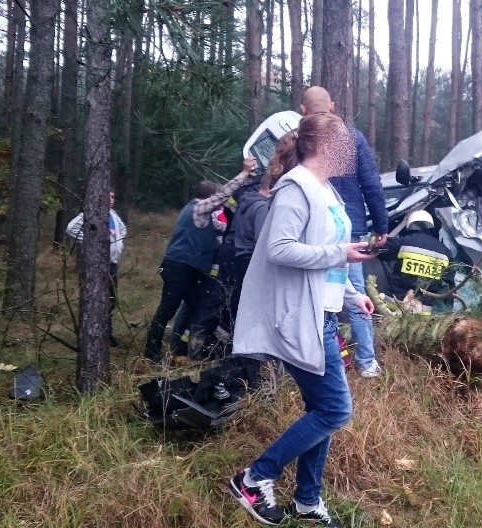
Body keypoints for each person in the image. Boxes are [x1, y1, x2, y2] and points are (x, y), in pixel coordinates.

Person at [227, 112, 376, 527]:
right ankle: (254, 478)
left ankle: (308, 503)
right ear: (325, 147)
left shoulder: (326, 190)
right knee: (335, 410)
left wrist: (352, 294)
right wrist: (342, 254)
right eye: (345, 144)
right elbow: (280, 249)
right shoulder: (296, 187)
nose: (352, 151)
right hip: (301, 318)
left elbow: (327, 259)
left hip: (324, 313)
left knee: (321, 408)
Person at [301, 86, 388, 378]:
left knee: (308, 292)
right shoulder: (352, 137)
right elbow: (371, 184)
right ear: (333, 106)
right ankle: (366, 364)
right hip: (349, 228)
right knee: (355, 295)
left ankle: (310, 361)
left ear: (303, 109)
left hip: (310, 232)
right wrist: (381, 226)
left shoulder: (298, 138)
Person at [143, 158, 256, 364]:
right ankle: (151, 352)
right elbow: (223, 195)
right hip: (179, 268)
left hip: (187, 270)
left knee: (199, 306)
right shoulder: (199, 208)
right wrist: (244, 174)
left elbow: (218, 229)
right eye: (214, 198)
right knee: (167, 309)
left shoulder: (199, 215)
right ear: (208, 197)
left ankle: (192, 348)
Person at [66, 189, 127, 347]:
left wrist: (118, 241)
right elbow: (71, 228)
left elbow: (123, 229)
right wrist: (88, 240)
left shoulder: (113, 215)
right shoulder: (91, 213)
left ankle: (106, 334)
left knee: (111, 301)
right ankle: (90, 335)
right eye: (108, 196)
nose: (111, 199)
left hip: (112, 265)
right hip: (98, 266)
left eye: (113, 197)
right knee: (95, 301)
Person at [377, 210, 454, 314]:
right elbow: (449, 284)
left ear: (410, 225)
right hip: (424, 308)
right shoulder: (445, 252)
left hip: (394, 301)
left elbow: (380, 251)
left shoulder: (403, 242)